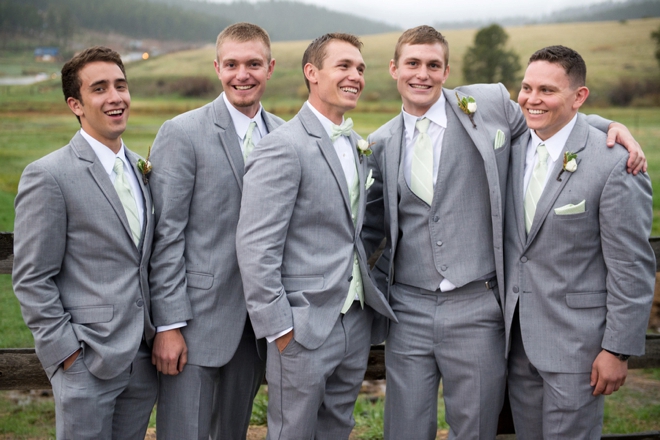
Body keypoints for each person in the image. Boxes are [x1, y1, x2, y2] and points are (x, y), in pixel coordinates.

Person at [361, 26, 646, 440]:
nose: (422, 74)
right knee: (402, 429)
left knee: (476, 429)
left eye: (433, 64)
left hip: (478, 306)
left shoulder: (486, 105)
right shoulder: (381, 142)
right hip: (408, 308)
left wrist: (609, 126)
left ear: (446, 70)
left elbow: (552, 116)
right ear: (394, 68)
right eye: (412, 64)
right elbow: (370, 229)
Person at [236, 33, 397, 439]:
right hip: (301, 325)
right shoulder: (283, 147)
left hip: (354, 319)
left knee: (338, 426)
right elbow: (256, 246)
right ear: (312, 73)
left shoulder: (359, 145)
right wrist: (281, 329)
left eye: (360, 68)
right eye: (343, 66)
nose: (355, 76)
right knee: (293, 431)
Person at [503, 45, 655, 439]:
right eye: (526, 88)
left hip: (579, 349)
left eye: (547, 91)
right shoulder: (510, 147)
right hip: (516, 346)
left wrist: (617, 350)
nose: (532, 100)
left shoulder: (616, 164)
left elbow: (631, 266)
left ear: (578, 96)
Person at [12, 46, 156, 439]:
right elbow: (31, 278)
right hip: (87, 362)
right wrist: (68, 356)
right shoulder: (48, 175)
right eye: (100, 89)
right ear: (75, 104)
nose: (115, 97)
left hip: (143, 362)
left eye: (121, 85)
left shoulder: (142, 168)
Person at [148, 23, 284, 440]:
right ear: (217, 67)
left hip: (255, 326)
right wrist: (168, 325)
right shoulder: (182, 132)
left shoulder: (283, 135)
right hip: (195, 321)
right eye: (232, 64)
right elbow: (166, 234)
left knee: (233, 433)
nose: (242, 74)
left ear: (270, 67)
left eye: (253, 64)